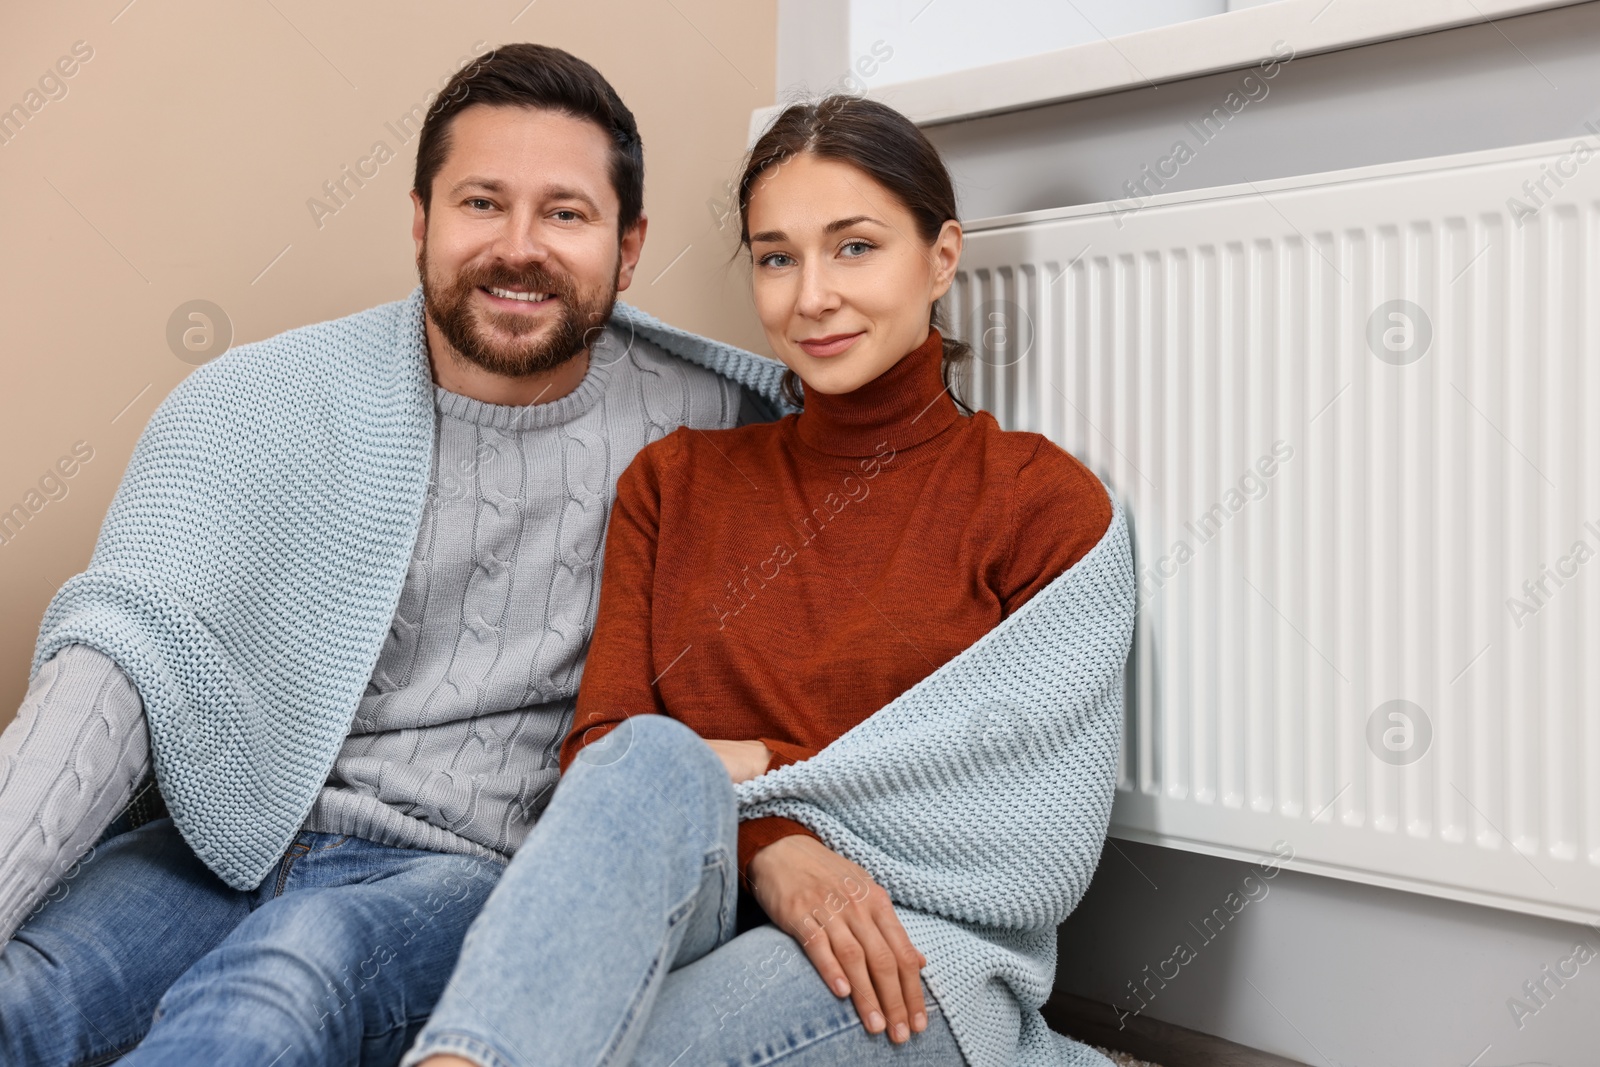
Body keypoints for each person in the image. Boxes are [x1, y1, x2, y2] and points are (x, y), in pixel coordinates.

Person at [0, 44, 790, 1066]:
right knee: (26, 996)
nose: (519, 247)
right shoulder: (263, 399)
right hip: (231, 839)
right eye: (480, 203)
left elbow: (867, 449)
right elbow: (110, 671)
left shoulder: (710, 423)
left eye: (566, 213)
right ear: (419, 220)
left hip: (457, 869)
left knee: (286, 980)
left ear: (628, 248)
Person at [403, 95, 1121, 1067]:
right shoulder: (676, 481)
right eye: (777, 257)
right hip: (695, 911)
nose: (810, 296)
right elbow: (606, 759)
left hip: (905, 946)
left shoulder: (1041, 502)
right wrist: (770, 843)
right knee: (655, 758)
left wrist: (750, 761)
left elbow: (1030, 836)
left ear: (941, 257)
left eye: (854, 247)